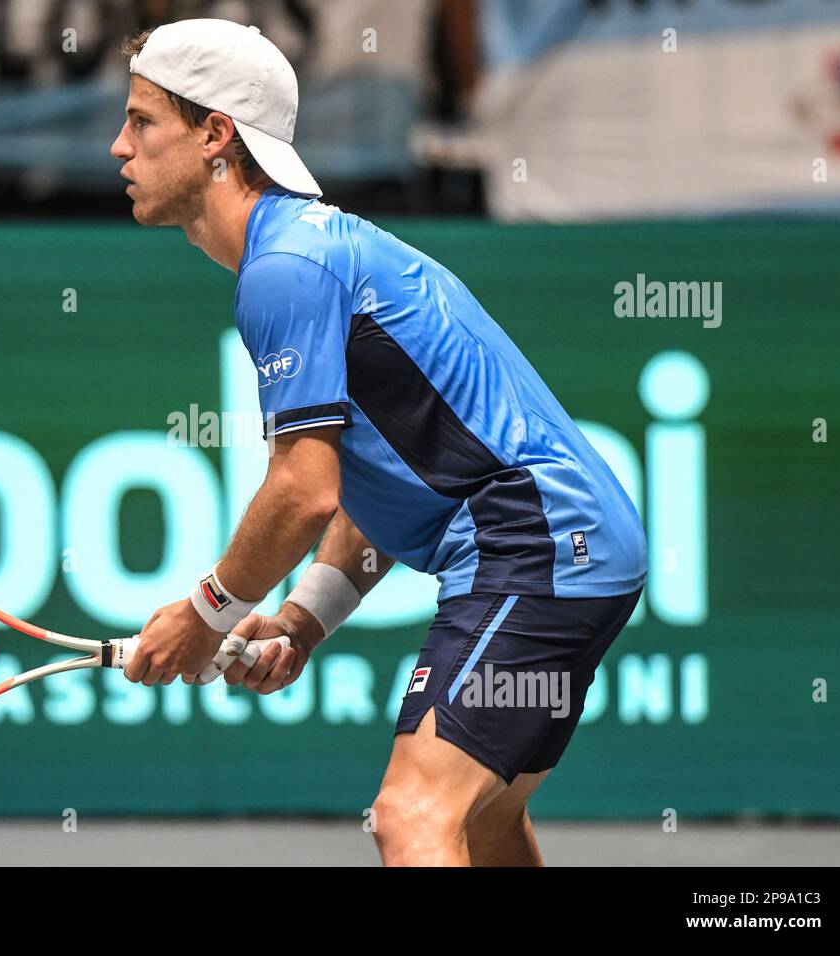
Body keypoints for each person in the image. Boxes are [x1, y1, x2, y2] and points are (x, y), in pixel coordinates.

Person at [110, 18, 646, 866]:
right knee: (479, 821)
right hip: (573, 547)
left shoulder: (287, 269)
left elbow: (303, 490)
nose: (117, 146)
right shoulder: (310, 252)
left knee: (411, 815)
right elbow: (378, 483)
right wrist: (302, 621)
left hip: (537, 544)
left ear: (215, 136)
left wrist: (207, 615)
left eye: (142, 121)